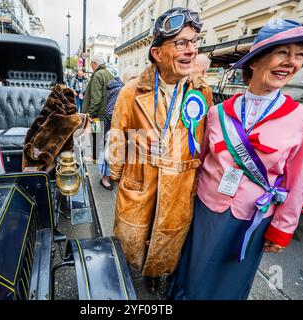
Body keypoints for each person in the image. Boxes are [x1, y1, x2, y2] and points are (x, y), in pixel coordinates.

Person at [167, 18, 303, 300]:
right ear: (255, 61)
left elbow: (297, 184)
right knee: (192, 270)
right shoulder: (217, 113)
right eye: (283, 52)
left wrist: (282, 228)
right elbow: (200, 162)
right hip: (204, 209)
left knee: (228, 281)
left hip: (251, 218)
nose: (292, 62)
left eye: (300, 55)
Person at [108, 7, 213, 294]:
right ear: (157, 53)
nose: (191, 50)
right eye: (181, 43)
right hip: (140, 184)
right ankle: (130, 274)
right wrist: (126, 164)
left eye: (194, 42)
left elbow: (202, 142)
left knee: (166, 245)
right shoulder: (130, 92)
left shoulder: (202, 90)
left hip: (179, 189)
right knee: (132, 244)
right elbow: (116, 141)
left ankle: (156, 273)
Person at [98, 66, 140, 190]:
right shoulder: (120, 89)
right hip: (112, 129)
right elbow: (110, 111)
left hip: (114, 129)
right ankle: (105, 179)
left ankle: (111, 176)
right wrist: (121, 122)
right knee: (109, 153)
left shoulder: (121, 87)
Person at [82, 54, 114, 162]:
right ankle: (102, 158)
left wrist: (90, 115)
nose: (91, 66)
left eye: (91, 64)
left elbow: (96, 98)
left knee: (95, 136)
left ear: (94, 64)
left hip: (97, 115)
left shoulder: (97, 75)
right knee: (104, 138)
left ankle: (95, 157)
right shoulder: (109, 74)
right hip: (107, 113)